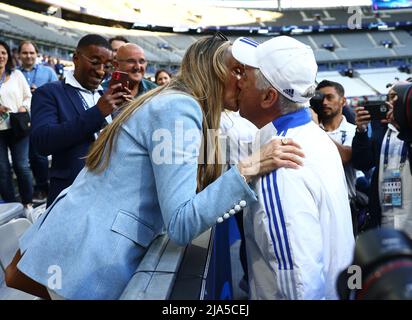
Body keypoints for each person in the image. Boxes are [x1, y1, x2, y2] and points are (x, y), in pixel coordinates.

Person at [6, 34, 303, 300]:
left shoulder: (186, 106)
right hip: (85, 256)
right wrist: (248, 168)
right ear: (212, 70)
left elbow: (203, 184)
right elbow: (181, 223)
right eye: (237, 71)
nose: (243, 81)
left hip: (76, 240)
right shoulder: (178, 109)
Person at [232, 36, 354, 299]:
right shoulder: (313, 135)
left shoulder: (281, 164)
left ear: (268, 96)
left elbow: (300, 285)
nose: (239, 81)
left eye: (247, 76)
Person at [29, 34, 126, 207]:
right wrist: (97, 113)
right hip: (72, 196)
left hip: (110, 194)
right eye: (95, 62)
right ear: (76, 58)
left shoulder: (107, 97)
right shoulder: (49, 93)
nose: (101, 70)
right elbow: (42, 142)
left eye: (107, 65)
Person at [352, 82, 412, 237]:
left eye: (397, 98)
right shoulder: (381, 128)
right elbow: (362, 162)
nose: (391, 103)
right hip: (385, 218)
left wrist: (402, 126)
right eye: (390, 97)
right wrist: (361, 130)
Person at [315, 80, 362, 234]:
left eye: (330, 97)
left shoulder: (353, 131)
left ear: (343, 100)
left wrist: (313, 130)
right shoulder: (308, 128)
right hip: (314, 205)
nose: (325, 102)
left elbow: (345, 156)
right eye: (321, 98)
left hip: (344, 206)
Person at [19, 40, 59, 204]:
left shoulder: (48, 72)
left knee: (40, 156)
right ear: (19, 55)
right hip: (20, 122)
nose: (28, 56)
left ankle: (43, 187)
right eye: (25, 53)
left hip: (42, 119)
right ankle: (33, 190)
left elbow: (59, 92)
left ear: (37, 54)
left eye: (31, 53)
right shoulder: (14, 74)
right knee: (25, 159)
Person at [0, 40, 33, 215]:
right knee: (2, 169)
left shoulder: (17, 75)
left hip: (18, 126)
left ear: (8, 55)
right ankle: (12, 207)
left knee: (22, 166)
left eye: (3, 52)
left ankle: (28, 204)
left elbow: (28, 97)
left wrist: (23, 107)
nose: (0, 56)